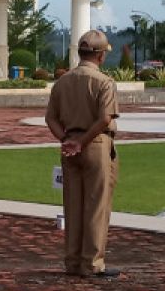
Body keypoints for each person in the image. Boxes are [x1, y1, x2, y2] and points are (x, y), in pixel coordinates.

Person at [45, 29, 121, 278]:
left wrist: (67, 139)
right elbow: (104, 118)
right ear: (100, 56)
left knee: (73, 204)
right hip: (96, 143)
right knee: (97, 205)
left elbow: (51, 118)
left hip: (71, 143)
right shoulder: (104, 82)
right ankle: (92, 262)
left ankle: (73, 260)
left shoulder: (63, 81)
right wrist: (82, 141)